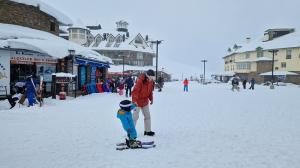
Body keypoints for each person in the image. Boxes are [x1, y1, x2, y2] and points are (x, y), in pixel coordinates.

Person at [132, 69, 155, 136]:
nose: (152, 78)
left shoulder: (151, 82)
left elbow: (150, 92)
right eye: (151, 77)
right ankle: (131, 132)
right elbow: (135, 92)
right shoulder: (140, 81)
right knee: (135, 117)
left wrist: (151, 99)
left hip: (145, 102)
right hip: (137, 102)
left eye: (153, 77)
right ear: (148, 76)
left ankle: (147, 131)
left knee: (147, 116)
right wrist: (134, 101)